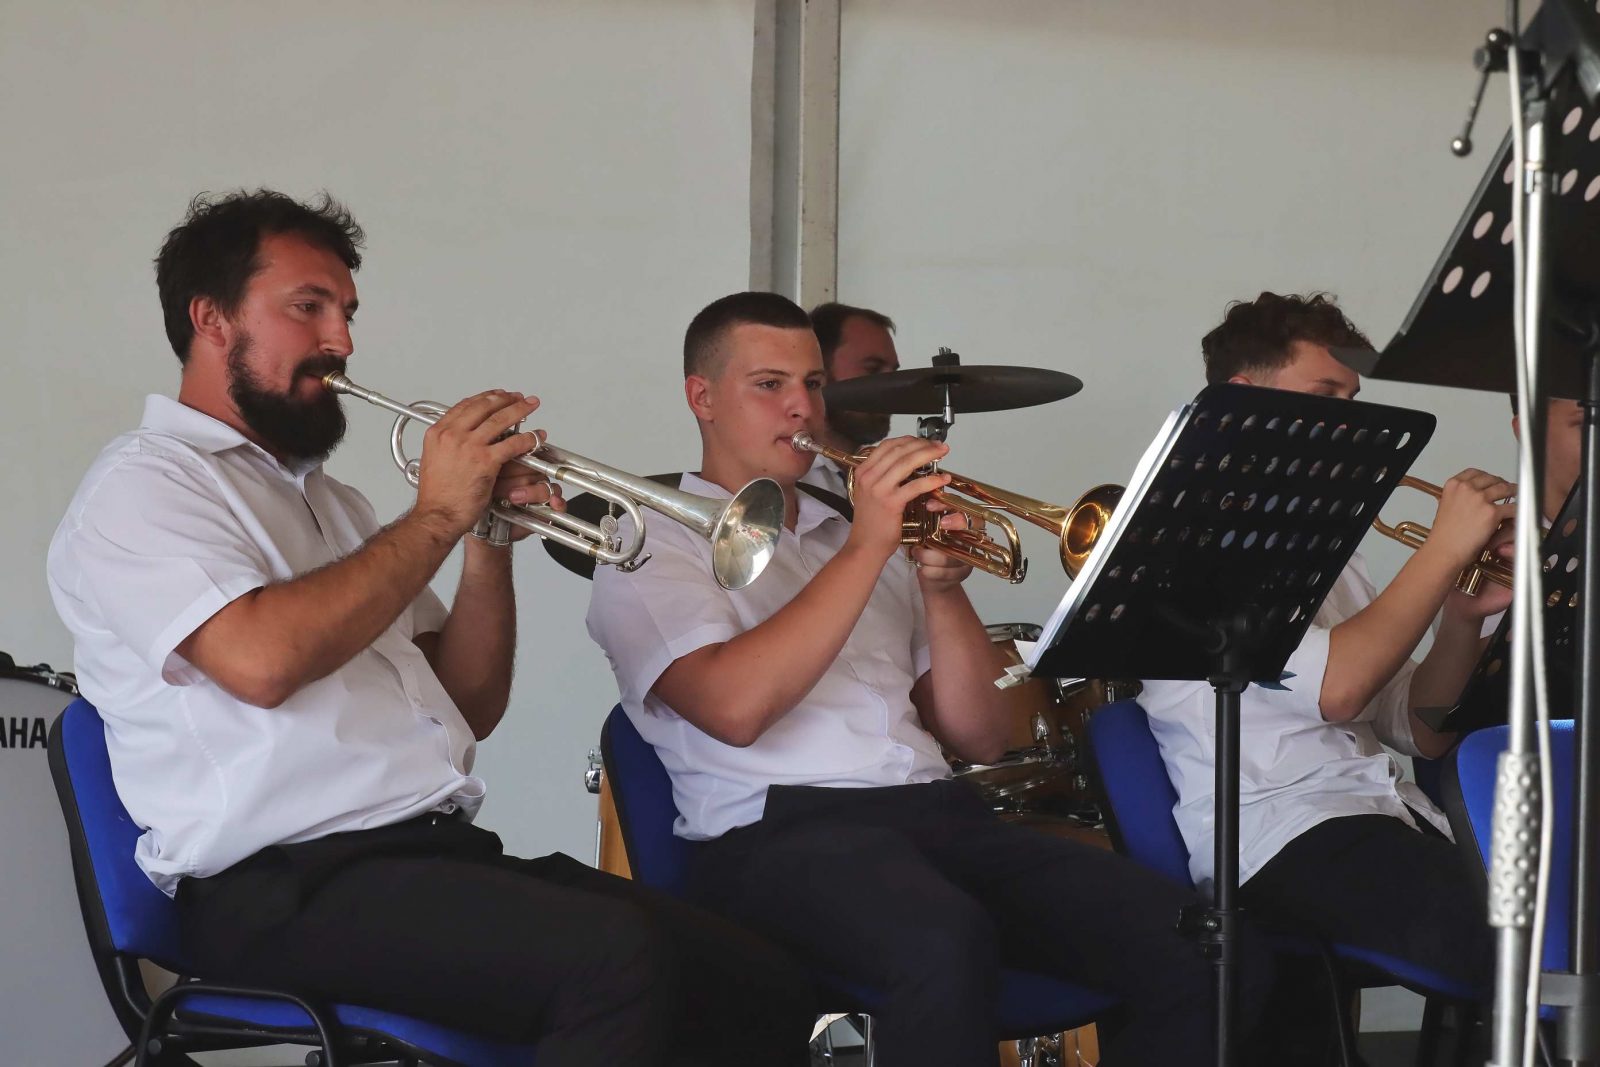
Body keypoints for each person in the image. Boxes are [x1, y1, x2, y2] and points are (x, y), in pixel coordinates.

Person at [47, 191, 813, 1065]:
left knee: (756, 977)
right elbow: (260, 661)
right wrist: (438, 514)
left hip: (426, 858)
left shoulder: (336, 504)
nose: (341, 340)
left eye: (347, 312)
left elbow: (469, 701)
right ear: (211, 319)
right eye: (309, 307)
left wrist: (486, 539)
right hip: (277, 884)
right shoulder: (145, 485)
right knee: (615, 963)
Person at [587, 291, 1261, 1067]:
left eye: (813, 383)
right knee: (940, 943)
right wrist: (869, 548)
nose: (803, 407)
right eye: (769, 384)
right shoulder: (647, 541)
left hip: (937, 818)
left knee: (1206, 943)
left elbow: (982, 734)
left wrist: (942, 589)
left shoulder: (855, 533)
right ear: (701, 397)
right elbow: (734, 709)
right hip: (772, 838)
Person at [1138, 292, 1507, 1015]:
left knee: (1558, 910)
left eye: (1353, 400)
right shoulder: (1190, 536)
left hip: (1376, 810)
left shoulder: (1332, 548)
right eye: (1325, 395)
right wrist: (1443, 550)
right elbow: (1339, 691)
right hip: (1275, 834)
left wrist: (1462, 616)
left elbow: (1419, 728)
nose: (1351, 422)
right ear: (1241, 402)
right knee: (1518, 941)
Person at [801, 301, 901, 497]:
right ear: (819, 372)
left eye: (894, 374)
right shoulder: (781, 477)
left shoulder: (883, 472)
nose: (892, 387)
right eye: (873, 369)